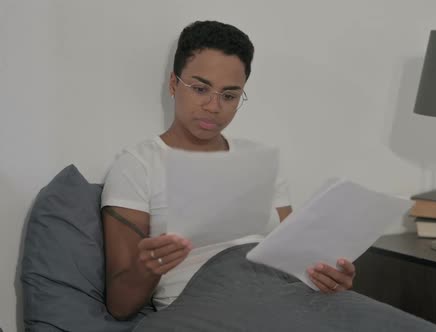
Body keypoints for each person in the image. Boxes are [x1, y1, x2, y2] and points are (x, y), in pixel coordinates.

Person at [101, 20, 357, 320]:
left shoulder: (257, 161)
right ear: (173, 84)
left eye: (229, 95)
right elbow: (119, 305)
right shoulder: (138, 165)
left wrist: (327, 276)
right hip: (204, 311)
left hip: (283, 301)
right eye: (200, 89)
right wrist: (149, 268)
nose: (213, 106)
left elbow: (295, 257)